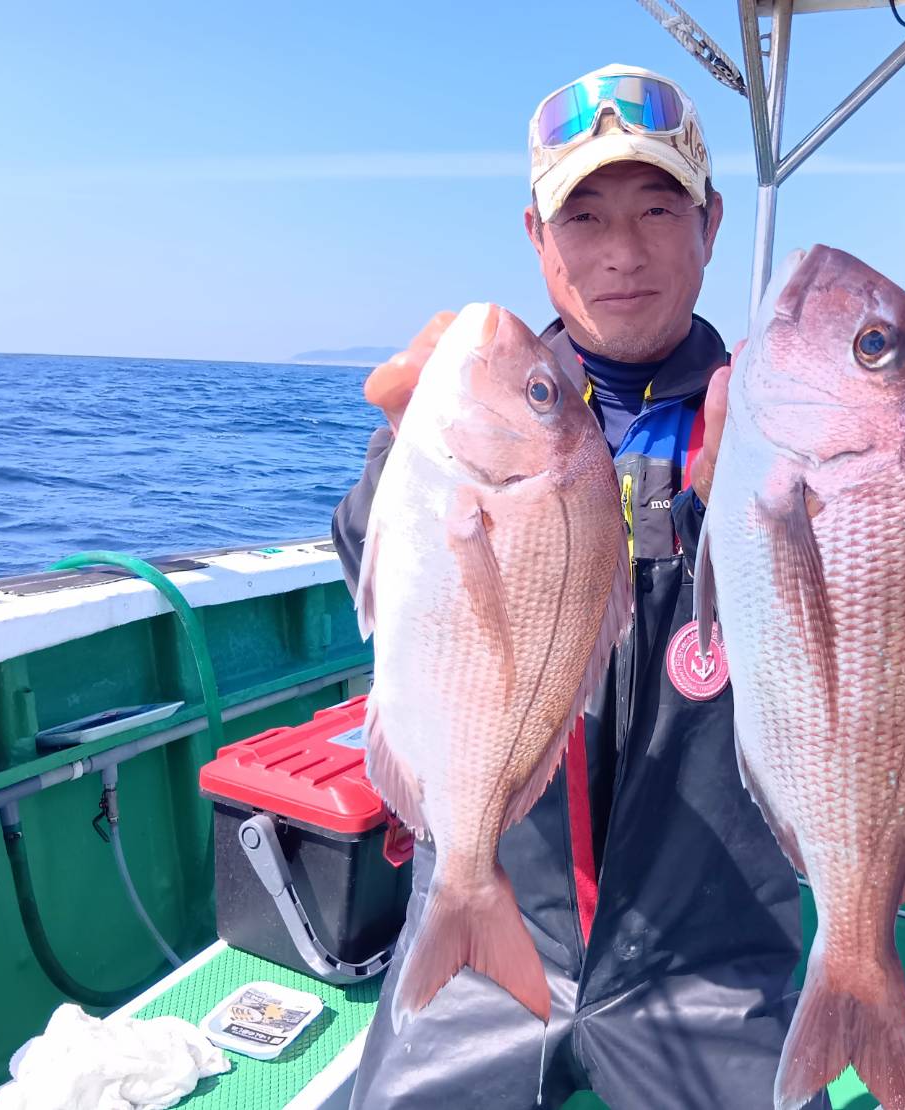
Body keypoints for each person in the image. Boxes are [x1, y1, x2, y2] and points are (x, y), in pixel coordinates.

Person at [332, 64, 824, 1110]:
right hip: (492, 934)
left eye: (656, 209)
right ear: (536, 240)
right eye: (584, 215)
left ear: (711, 223)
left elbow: (850, 658)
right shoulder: (479, 413)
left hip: (710, 958)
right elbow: (379, 583)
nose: (621, 250)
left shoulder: (779, 432)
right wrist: (396, 445)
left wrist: (775, 518)